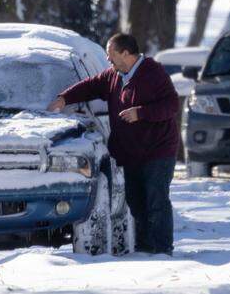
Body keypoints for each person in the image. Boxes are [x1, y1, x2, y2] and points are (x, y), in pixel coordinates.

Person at [48, 33, 179, 255]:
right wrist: (64, 98)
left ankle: (162, 249)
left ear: (126, 53)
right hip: (132, 152)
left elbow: (171, 105)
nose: (108, 61)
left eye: (111, 56)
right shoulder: (114, 76)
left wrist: (141, 113)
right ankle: (145, 246)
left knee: (156, 199)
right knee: (136, 200)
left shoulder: (152, 72)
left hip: (158, 149)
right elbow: (90, 86)